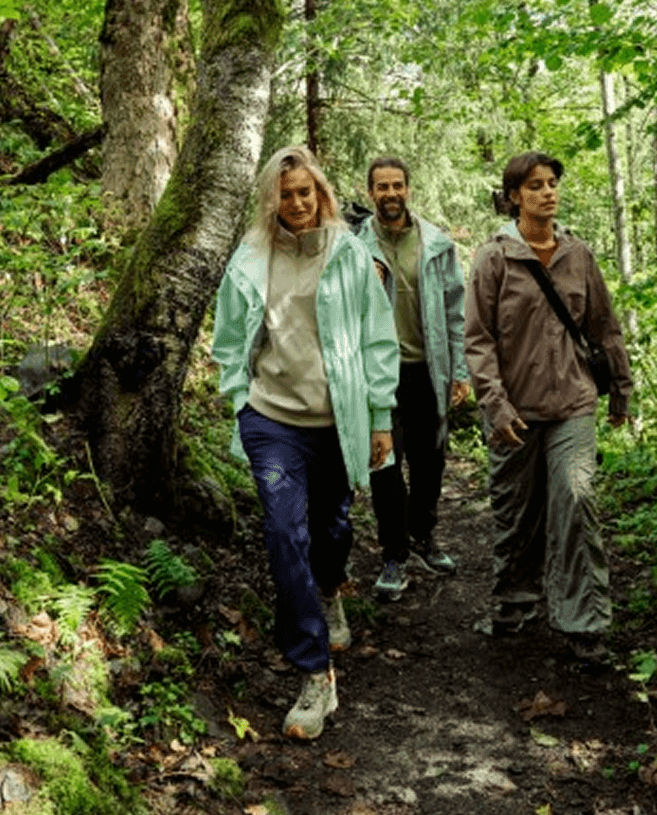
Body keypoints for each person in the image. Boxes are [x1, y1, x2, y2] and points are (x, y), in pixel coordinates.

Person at [210, 144, 398, 739]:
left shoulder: (349, 254)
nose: (296, 203)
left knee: (332, 527)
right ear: (271, 200)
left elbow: (377, 339)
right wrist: (239, 401)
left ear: (321, 194)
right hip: (271, 420)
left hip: (337, 420)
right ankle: (315, 672)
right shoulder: (251, 256)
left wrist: (380, 417)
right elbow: (228, 336)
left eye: (304, 192)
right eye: (285, 194)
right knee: (282, 532)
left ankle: (330, 586)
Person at [463, 151, 634, 663]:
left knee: (577, 499)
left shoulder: (578, 254)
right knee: (517, 513)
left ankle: (584, 623)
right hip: (514, 410)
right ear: (514, 196)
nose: (547, 192)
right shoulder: (494, 258)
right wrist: (496, 405)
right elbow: (478, 340)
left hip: (573, 403)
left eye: (552, 183)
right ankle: (515, 602)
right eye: (535, 185)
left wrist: (620, 388)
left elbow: (604, 327)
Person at [354, 156, 469, 602]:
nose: (390, 194)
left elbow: (456, 312)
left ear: (408, 189)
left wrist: (460, 371)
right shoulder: (355, 246)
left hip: (428, 369)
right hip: (378, 374)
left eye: (397, 185)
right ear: (370, 193)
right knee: (384, 464)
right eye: (382, 187)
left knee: (430, 462)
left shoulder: (436, 244)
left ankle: (423, 535)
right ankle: (393, 553)